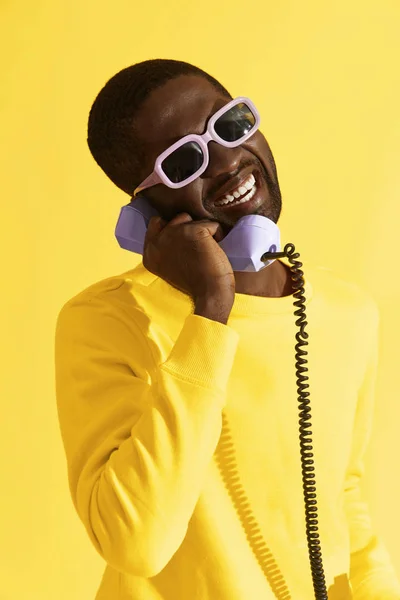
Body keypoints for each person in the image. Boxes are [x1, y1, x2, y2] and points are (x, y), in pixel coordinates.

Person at [54, 59, 400, 600]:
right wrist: (210, 311)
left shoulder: (347, 312)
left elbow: (341, 496)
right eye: (186, 160)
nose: (228, 159)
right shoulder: (108, 321)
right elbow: (136, 544)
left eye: (231, 124)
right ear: (145, 210)